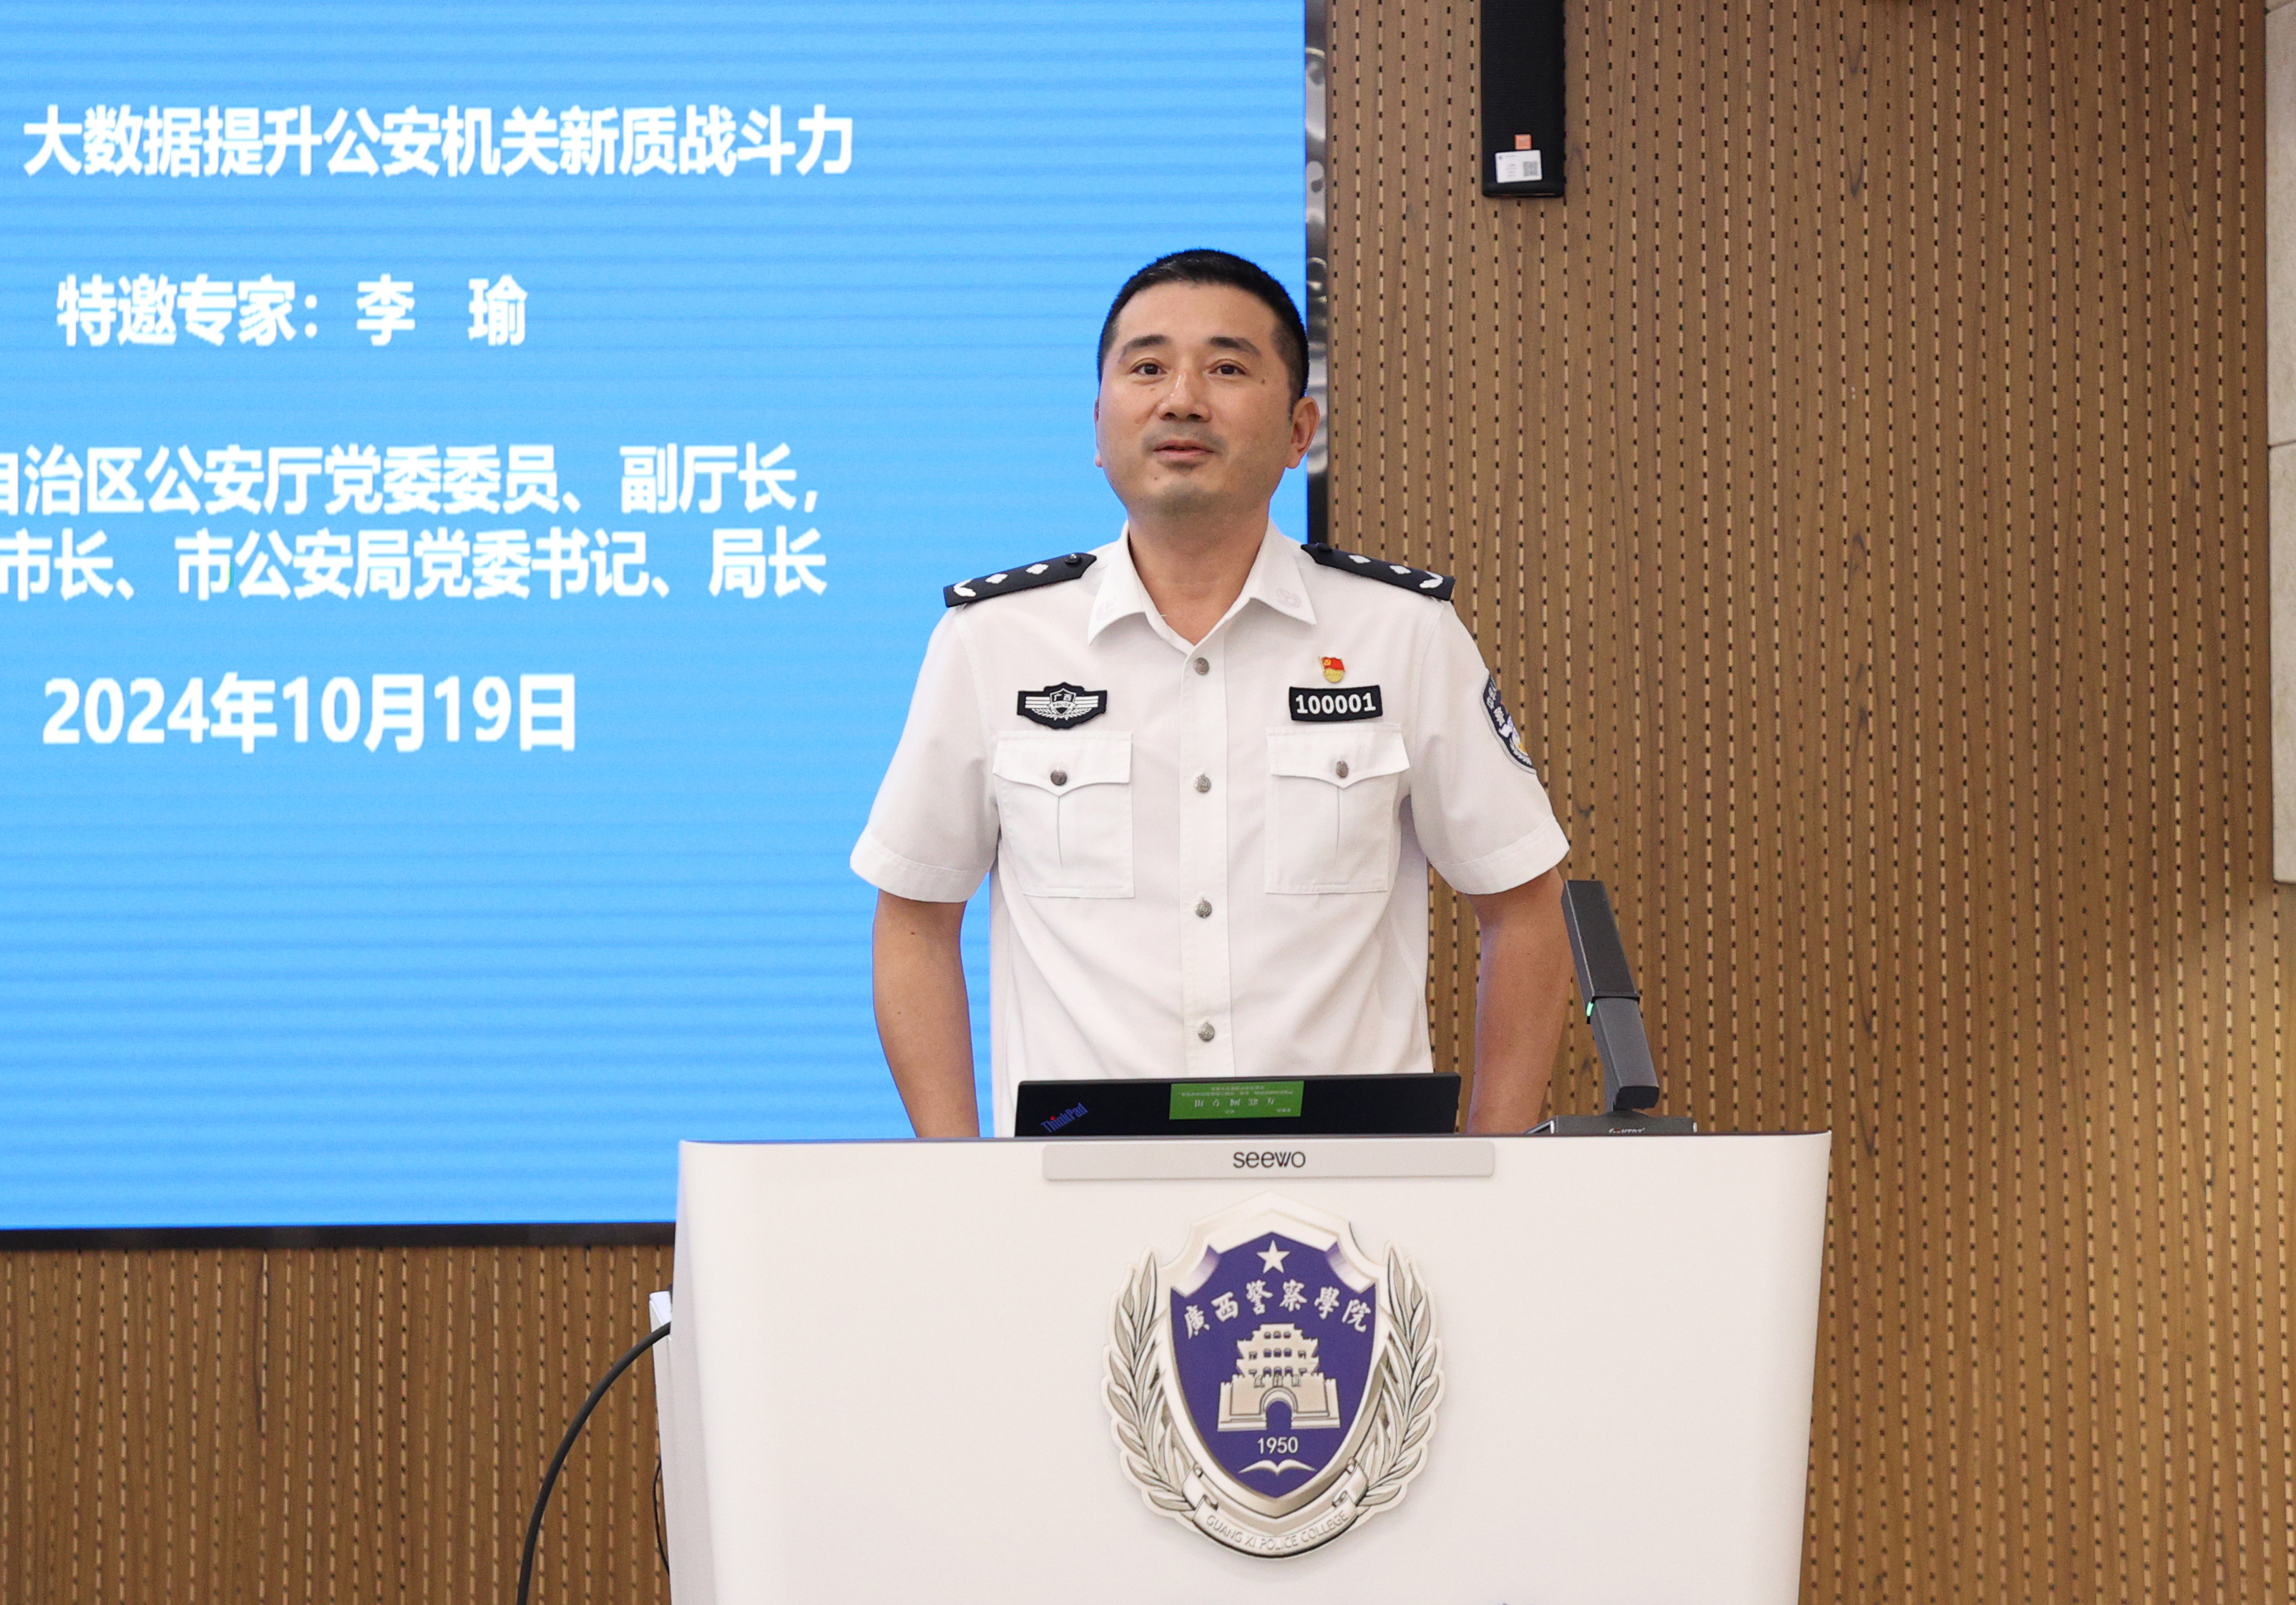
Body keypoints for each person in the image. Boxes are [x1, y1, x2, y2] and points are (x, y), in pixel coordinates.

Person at [851, 248, 1573, 1138]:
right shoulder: (993, 641)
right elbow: (915, 918)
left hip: (1350, 1193)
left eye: (1226, 368)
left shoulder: (1401, 634)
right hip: (1072, 1188)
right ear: (1098, 423)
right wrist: (957, 1176)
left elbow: (1522, 904)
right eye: (1146, 368)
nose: (1181, 399)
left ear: (1299, 430)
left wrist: (1490, 1170)